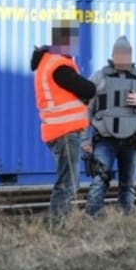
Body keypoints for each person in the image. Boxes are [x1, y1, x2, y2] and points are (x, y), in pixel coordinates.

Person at [31, 21, 96, 229]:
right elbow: (87, 89)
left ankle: (56, 225)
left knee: (66, 180)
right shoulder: (58, 66)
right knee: (68, 183)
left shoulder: (47, 62)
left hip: (57, 131)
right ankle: (58, 226)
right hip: (65, 131)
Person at [83, 36, 136, 216]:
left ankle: (125, 225)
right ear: (112, 54)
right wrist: (85, 140)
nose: (122, 58)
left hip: (133, 140)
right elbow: (87, 109)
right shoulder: (98, 77)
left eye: (126, 54)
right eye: (119, 54)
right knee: (99, 181)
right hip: (104, 139)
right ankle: (91, 219)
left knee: (128, 185)